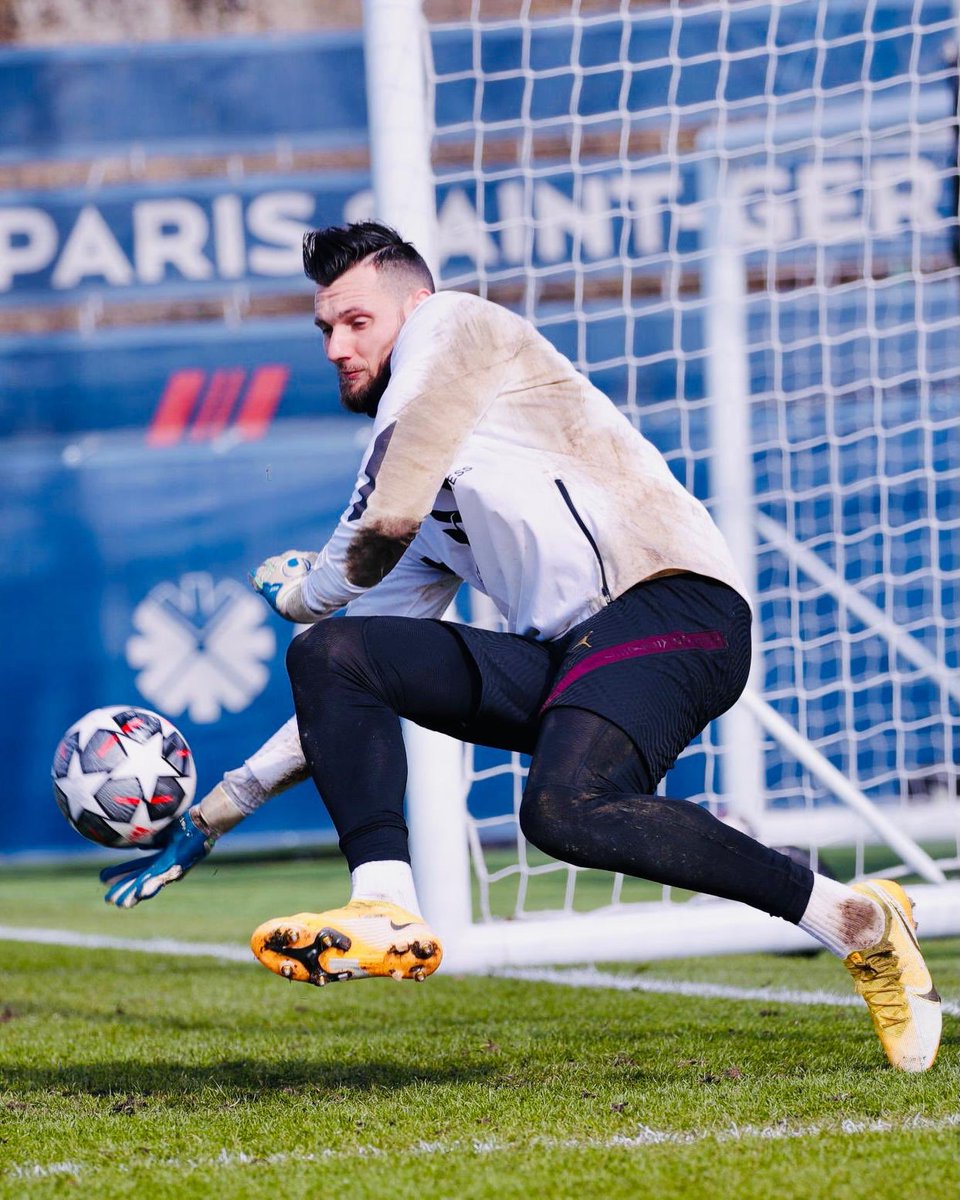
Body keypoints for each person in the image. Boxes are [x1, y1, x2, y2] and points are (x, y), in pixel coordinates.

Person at [102, 221, 941, 1072]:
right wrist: (215, 815)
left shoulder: (455, 327)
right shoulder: (416, 477)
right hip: (571, 655)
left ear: (414, 306)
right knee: (333, 655)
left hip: (673, 610)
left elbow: (373, 528)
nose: (335, 347)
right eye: (324, 329)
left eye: (357, 322)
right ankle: (384, 904)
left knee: (560, 807)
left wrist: (297, 594)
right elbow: (345, 664)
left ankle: (849, 918)